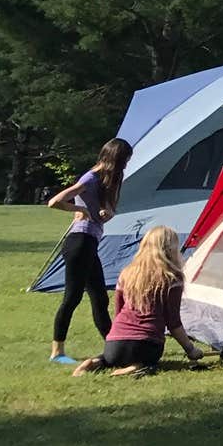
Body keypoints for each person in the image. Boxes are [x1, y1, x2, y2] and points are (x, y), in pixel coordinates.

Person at [73, 226, 208, 377]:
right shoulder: (172, 278)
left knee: (109, 359)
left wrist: (115, 335)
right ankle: (136, 366)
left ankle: (95, 362)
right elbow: (173, 322)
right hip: (146, 343)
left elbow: (118, 311)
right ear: (171, 249)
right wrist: (190, 349)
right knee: (148, 360)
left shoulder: (127, 273)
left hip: (114, 344)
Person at [46, 137, 132, 364]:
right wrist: (79, 210)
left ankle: (113, 344)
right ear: (117, 159)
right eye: (125, 160)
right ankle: (57, 352)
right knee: (72, 297)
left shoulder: (106, 179)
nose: (126, 165)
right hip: (79, 242)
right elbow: (54, 201)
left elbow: (104, 207)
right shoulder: (91, 177)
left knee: (100, 297)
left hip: (89, 242)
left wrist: (106, 213)